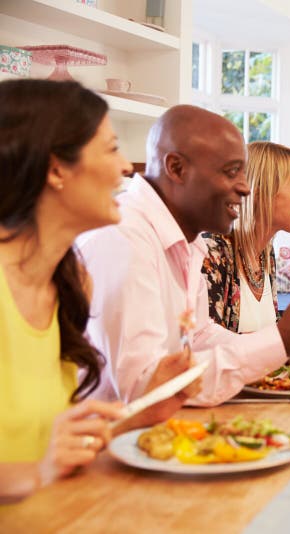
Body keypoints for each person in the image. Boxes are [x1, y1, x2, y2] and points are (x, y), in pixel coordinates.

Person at [0, 80, 194, 502]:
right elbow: (40, 461)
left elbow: (50, 441)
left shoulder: (70, 283)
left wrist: (137, 414)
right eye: (110, 149)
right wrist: (38, 471)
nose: (127, 166)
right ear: (55, 170)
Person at [78, 105, 290, 407]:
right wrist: (286, 336)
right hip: (108, 441)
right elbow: (147, 391)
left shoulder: (189, 242)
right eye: (231, 171)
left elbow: (201, 339)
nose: (246, 188)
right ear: (177, 169)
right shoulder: (125, 239)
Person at [202, 141, 290, 333]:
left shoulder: (265, 252)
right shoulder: (212, 252)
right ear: (261, 193)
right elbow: (206, 347)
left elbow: (268, 329)